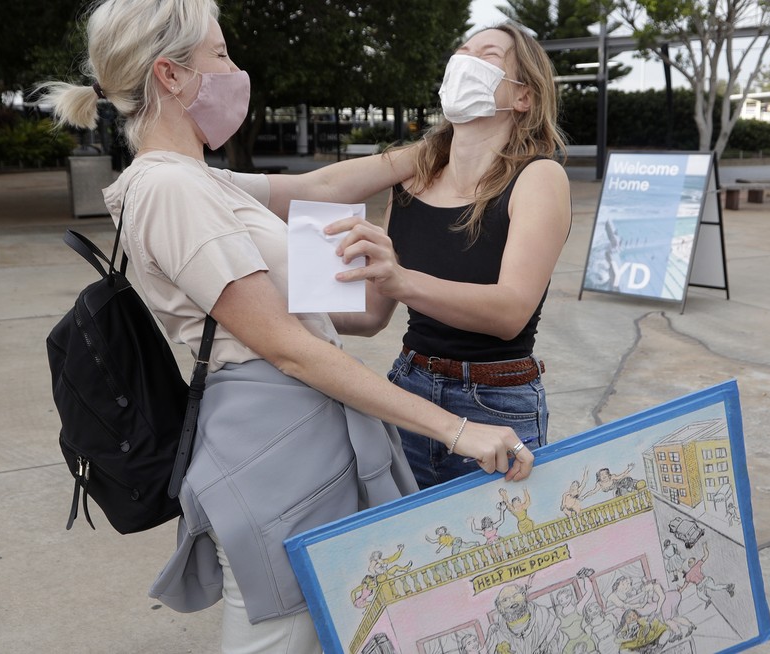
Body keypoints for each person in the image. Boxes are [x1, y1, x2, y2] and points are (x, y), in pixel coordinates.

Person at [40, 1, 535, 652]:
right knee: (277, 634)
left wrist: (438, 149)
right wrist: (457, 428)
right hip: (272, 447)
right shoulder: (173, 190)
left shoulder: (196, 181)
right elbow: (290, 350)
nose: (234, 69)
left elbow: (324, 188)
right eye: (219, 55)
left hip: (288, 441)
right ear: (170, 74)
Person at [326, 22, 572, 488]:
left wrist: (400, 279)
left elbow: (510, 312)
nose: (466, 62)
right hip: (408, 391)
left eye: (489, 56)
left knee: (495, 556)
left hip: (496, 403)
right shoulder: (413, 180)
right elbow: (373, 315)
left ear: (524, 97)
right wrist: (287, 308)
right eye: (462, 51)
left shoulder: (539, 178)